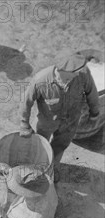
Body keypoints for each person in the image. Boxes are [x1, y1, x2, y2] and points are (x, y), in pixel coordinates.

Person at [19, 52, 100, 183]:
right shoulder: (40, 80)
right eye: (72, 75)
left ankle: (52, 168)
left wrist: (94, 113)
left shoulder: (82, 74)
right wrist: (24, 124)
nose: (76, 75)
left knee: (60, 146)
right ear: (61, 71)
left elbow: (92, 93)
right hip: (47, 122)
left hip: (70, 122)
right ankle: (37, 169)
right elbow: (26, 102)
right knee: (40, 145)